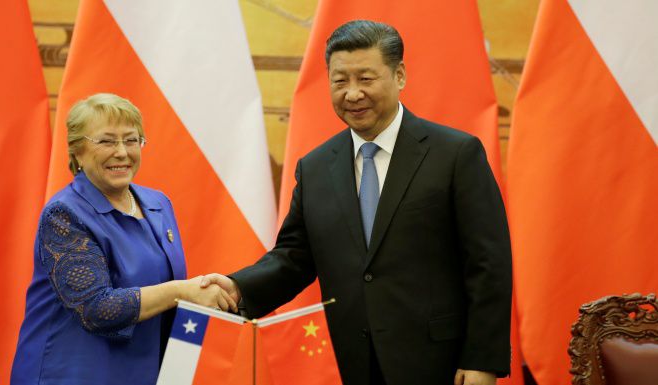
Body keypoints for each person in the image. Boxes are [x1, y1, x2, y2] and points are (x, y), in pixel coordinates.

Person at [201, 20, 512, 385]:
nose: (351, 94)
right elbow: (294, 257)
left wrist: (482, 360)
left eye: (365, 79)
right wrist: (237, 288)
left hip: (441, 363)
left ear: (399, 75)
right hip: (354, 361)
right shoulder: (316, 167)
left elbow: (488, 263)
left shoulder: (455, 155)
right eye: (339, 81)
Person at [11, 93, 236, 385]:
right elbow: (97, 309)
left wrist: (207, 290)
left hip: (143, 372)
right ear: (77, 151)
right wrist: (184, 290)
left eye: (131, 140)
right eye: (106, 141)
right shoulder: (64, 214)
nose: (121, 152)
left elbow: (170, 290)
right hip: (72, 374)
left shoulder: (158, 204)